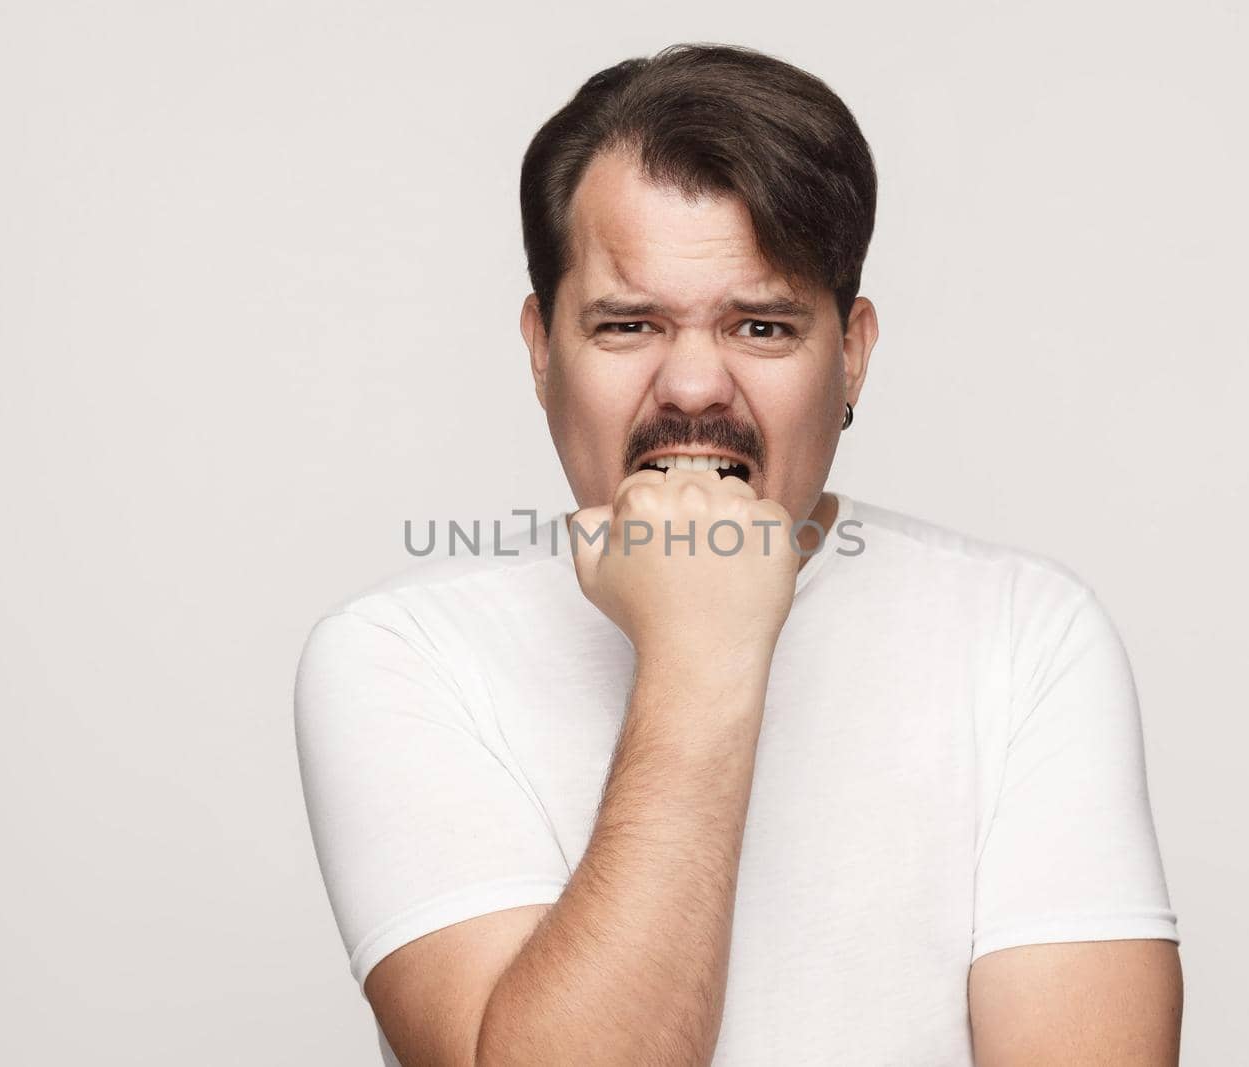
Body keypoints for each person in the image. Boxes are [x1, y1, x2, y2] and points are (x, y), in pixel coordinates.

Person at [295, 43, 1183, 1066]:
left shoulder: (1025, 635)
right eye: (627, 324)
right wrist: (697, 652)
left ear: (849, 353)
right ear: (542, 351)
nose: (691, 386)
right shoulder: (400, 656)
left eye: (760, 324)